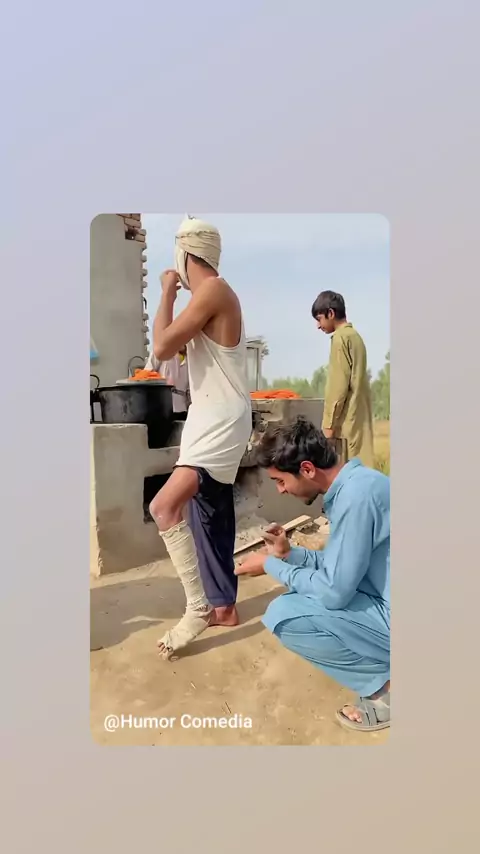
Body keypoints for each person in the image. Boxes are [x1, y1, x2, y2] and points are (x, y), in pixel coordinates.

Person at [236, 416, 390, 732]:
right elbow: (343, 567)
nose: (280, 490)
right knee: (303, 593)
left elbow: (335, 593)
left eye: (280, 481)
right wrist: (288, 554)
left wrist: (269, 566)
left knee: (286, 614)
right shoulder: (360, 484)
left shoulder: (355, 498)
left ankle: (387, 692)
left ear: (307, 469)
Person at [149, 216, 252, 659]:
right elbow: (169, 352)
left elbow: (160, 347)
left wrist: (166, 293)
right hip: (212, 414)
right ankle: (223, 606)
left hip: (218, 418)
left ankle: (197, 607)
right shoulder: (213, 295)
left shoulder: (212, 291)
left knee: (164, 506)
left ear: (185, 254)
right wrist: (173, 297)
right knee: (208, 512)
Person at [312, 290, 374, 468]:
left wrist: (328, 428)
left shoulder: (340, 339)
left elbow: (337, 388)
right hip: (359, 423)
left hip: (346, 427)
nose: (318, 326)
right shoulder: (355, 337)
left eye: (319, 319)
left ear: (330, 313)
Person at [145, 346, 190, 418]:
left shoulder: (192, 359)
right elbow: (147, 375)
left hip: (182, 410)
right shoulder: (161, 351)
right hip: (161, 409)